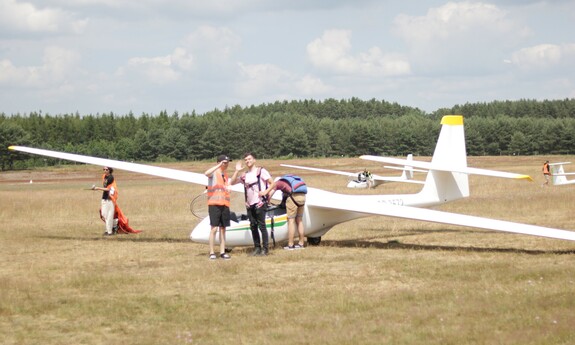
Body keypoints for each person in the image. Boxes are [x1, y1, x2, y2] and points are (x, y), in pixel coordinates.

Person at [231, 152, 273, 256]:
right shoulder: (245, 175)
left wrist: (266, 192)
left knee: (262, 226)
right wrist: (237, 170)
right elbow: (232, 182)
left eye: (249, 159)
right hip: (249, 204)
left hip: (259, 203)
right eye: (246, 160)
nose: (247, 161)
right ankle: (257, 248)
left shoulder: (261, 171)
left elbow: (273, 183)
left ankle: (265, 249)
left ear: (254, 160)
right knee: (253, 226)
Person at [204, 155, 233, 260]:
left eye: (227, 163)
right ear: (219, 163)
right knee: (214, 228)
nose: (226, 165)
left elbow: (227, 186)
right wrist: (218, 166)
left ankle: (222, 251)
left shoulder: (225, 175)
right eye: (224, 163)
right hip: (214, 203)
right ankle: (212, 252)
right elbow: (206, 173)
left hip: (224, 204)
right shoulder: (214, 172)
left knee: (223, 229)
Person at [266, 176, 306, 250]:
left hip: (293, 197)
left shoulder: (277, 183)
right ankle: (301, 243)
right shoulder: (289, 181)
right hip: (303, 197)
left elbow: (270, 195)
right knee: (299, 220)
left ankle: (290, 245)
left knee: (291, 221)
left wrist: (267, 202)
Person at [91, 167, 118, 236]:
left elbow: (108, 189)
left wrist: (98, 188)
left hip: (110, 198)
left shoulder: (110, 178)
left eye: (106, 170)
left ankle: (109, 232)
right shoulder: (104, 176)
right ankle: (115, 224)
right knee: (104, 214)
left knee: (109, 215)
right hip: (104, 197)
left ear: (110, 170)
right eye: (104, 169)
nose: (105, 171)